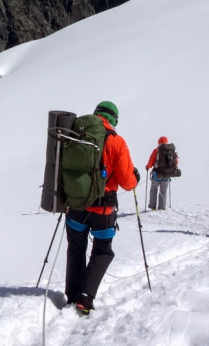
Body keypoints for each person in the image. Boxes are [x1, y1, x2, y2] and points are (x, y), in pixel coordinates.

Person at [64, 101, 139, 315]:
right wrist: (135, 179)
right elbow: (126, 181)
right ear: (113, 119)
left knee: (76, 249)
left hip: (76, 206)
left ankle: (71, 294)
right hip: (103, 210)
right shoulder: (117, 142)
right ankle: (85, 297)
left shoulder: (75, 134)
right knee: (103, 251)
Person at [145, 136, 179, 210]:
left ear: (159, 142)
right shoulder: (171, 151)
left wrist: (147, 167)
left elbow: (151, 161)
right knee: (163, 190)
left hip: (157, 173)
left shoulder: (156, 150)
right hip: (167, 174)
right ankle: (162, 208)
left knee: (154, 189)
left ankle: (152, 206)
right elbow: (176, 162)